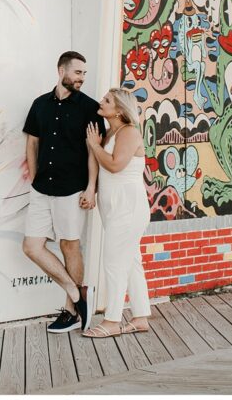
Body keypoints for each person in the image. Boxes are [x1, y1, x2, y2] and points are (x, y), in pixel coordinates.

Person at [21, 51, 106, 333]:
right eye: (78, 72)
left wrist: (91, 187)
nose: (82, 78)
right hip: (42, 189)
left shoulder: (90, 108)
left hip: (72, 189)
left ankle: (70, 313)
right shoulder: (39, 105)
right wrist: (34, 179)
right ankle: (75, 290)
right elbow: (32, 144)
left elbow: (94, 152)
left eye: (84, 74)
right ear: (61, 70)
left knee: (70, 245)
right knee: (32, 247)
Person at [82, 87, 152, 338]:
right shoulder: (111, 130)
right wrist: (91, 189)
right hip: (114, 207)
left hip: (128, 207)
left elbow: (114, 165)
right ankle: (141, 316)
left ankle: (112, 321)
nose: (101, 102)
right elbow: (99, 162)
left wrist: (94, 145)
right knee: (131, 262)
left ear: (120, 110)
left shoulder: (129, 132)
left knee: (113, 263)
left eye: (107, 100)